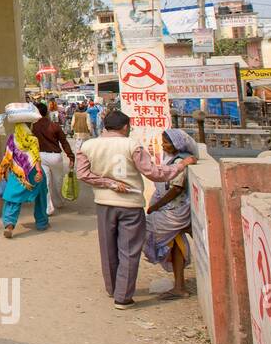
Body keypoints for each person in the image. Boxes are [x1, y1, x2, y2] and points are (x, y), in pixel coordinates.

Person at [75, 111, 196, 309]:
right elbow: (153, 173)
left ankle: (113, 288)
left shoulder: (88, 146)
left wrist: (107, 183)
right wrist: (181, 165)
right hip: (130, 205)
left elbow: (82, 174)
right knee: (129, 250)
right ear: (125, 127)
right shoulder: (132, 145)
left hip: (104, 204)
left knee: (108, 249)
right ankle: (122, 297)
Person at [143, 129, 198, 298]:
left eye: (166, 142)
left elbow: (176, 189)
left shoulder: (181, 161)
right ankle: (179, 285)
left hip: (174, 212)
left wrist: (156, 206)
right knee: (176, 247)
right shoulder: (173, 159)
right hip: (171, 210)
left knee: (147, 232)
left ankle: (179, 286)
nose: (163, 145)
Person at [0, 104, 49, 237]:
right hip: (32, 172)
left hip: (18, 173)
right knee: (41, 195)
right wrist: (38, 172)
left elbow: (7, 156)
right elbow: (35, 157)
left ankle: (9, 224)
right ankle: (42, 222)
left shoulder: (12, 139)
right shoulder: (33, 139)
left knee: (13, 198)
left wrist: (3, 171)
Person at [32, 101, 75, 216]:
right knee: (57, 181)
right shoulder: (54, 126)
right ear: (47, 113)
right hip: (55, 156)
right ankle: (59, 202)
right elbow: (64, 142)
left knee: (45, 183)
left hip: (40, 156)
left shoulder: (33, 127)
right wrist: (71, 156)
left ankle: (48, 208)